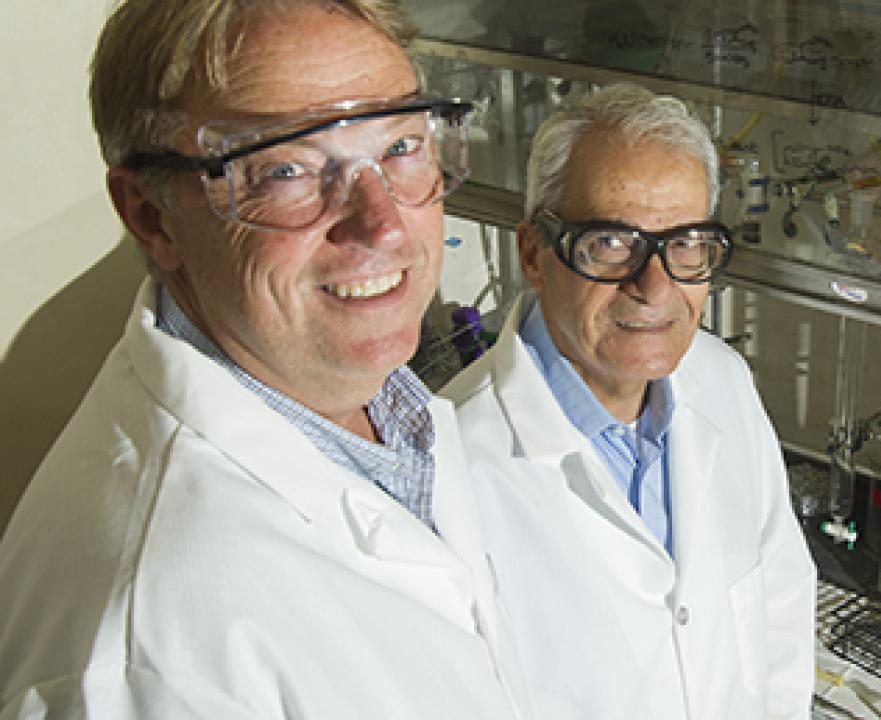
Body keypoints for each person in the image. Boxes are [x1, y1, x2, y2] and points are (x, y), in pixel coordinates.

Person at [0, 1, 528, 717]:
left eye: (401, 146)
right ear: (151, 216)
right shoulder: (152, 652)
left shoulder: (372, 402)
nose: (382, 223)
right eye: (286, 168)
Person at [441, 82, 817, 719]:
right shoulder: (449, 468)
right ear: (533, 253)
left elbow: (780, 599)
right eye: (611, 243)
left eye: (686, 243)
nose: (655, 286)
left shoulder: (723, 382)